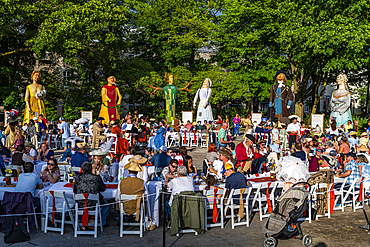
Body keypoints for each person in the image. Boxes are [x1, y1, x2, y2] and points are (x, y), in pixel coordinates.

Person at [73, 162, 109, 227]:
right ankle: (102, 223)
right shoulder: (96, 177)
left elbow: (75, 190)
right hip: (94, 204)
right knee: (106, 205)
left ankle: (81, 221)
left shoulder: (78, 177)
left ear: (82, 169)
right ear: (91, 169)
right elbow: (102, 188)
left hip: (81, 203)